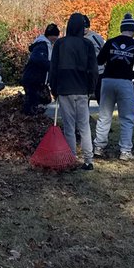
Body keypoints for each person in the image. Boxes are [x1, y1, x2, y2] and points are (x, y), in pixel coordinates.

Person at [48, 12, 99, 170]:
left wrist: (54, 88)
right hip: (82, 89)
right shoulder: (87, 45)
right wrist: (91, 89)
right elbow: (94, 70)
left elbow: (53, 68)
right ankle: (88, 160)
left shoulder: (60, 44)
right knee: (84, 126)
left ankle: (71, 158)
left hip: (64, 89)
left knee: (69, 126)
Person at [93, 12, 134, 160]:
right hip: (125, 83)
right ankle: (125, 151)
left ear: (121, 28)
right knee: (127, 117)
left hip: (108, 81)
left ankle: (99, 148)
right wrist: (131, 76)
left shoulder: (110, 42)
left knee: (104, 116)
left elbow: (99, 60)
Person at [20, 23, 59, 115]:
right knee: (32, 102)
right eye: (56, 36)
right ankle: (29, 119)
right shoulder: (42, 45)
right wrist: (53, 67)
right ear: (52, 36)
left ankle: (33, 117)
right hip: (33, 79)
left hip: (38, 80)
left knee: (44, 100)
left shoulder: (46, 45)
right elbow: (38, 59)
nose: (57, 38)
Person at [83, 17, 106, 101]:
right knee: (85, 97)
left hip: (98, 71)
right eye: (82, 26)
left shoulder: (96, 37)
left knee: (100, 95)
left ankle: (103, 113)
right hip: (84, 72)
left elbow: (104, 52)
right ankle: (86, 114)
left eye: (86, 26)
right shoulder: (78, 39)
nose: (84, 29)